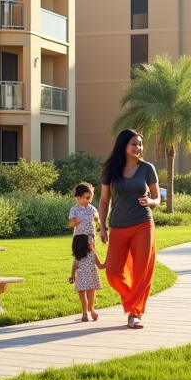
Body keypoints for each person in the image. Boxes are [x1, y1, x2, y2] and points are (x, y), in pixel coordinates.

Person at [98, 129, 160, 330]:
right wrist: (102, 227)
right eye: (134, 143)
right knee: (113, 273)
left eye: (140, 144)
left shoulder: (147, 168)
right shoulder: (111, 170)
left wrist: (150, 201)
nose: (138, 147)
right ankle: (131, 301)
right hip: (118, 225)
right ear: (123, 145)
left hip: (143, 224)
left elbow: (157, 198)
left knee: (142, 272)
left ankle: (135, 313)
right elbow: (104, 199)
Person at [69, 182, 104, 321]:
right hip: (79, 240)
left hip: (90, 239)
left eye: (91, 197)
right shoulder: (74, 209)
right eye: (86, 197)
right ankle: (84, 312)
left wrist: (97, 219)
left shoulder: (92, 209)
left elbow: (98, 220)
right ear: (78, 197)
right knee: (79, 259)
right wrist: (75, 222)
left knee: (89, 259)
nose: (89, 200)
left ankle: (91, 309)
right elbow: (70, 223)